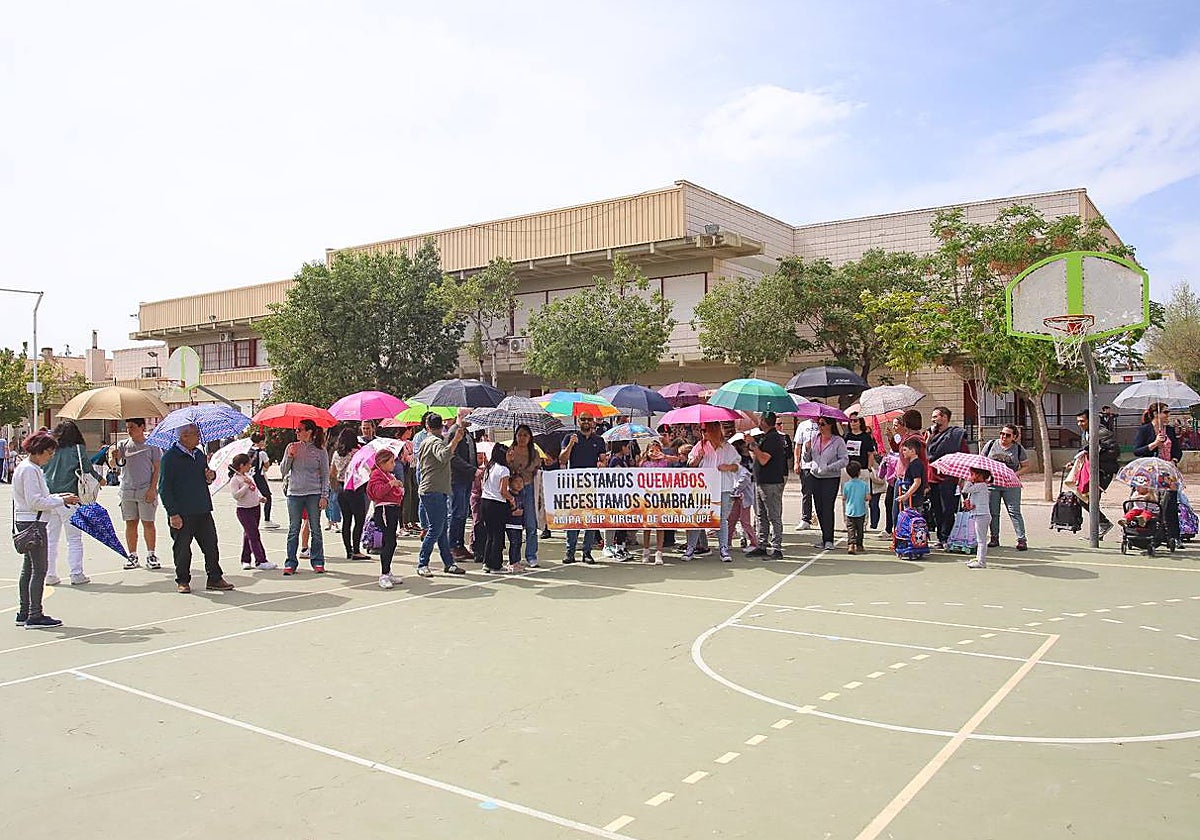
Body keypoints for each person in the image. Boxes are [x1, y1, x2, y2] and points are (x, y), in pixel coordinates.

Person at [159, 423, 234, 594]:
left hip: (202, 508)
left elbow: (205, 477)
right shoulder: (170, 458)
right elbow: (164, 488)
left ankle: (215, 578)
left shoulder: (199, 454)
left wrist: (210, 476)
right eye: (195, 434)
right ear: (184, 436)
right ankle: (183, 580)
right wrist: (173, 513)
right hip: (182, 511)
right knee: (182, 549)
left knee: (211, 545)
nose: (198, 436)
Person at [13, 432, 77, 627]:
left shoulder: (26, 467)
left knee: (29, 568)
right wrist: (61, 501)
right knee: (39, 569)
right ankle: (35, 614)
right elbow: (36, 502)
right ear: (39, 450)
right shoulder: (30, 470)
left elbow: (37, 498)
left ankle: (24, 612)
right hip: (34, 523)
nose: (50, 457)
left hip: (26, 521)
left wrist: (58, 496)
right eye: (49, 453)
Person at [43, 419, 102, 586]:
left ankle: (50, 574)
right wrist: (100, 479)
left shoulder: (50, 450)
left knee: (51, 539)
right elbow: (87, 469)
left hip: (50, 498)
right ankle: (76, 573)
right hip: (71, 498)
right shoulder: (77, 449)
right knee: (74, 539)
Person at [416, 413, 468, 577]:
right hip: (434, 490)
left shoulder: (426, 441)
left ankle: (448, 563)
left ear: (427, 426)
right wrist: (456, 440)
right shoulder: (434, 442)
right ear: (442, 426)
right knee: (435, 529)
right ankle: (423, 563)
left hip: (433, 489)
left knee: (441, 529)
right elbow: (444, 456)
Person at [682, 422, 740, 562]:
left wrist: (728, 467)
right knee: (698, 516)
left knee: (722, 519)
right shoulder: (700, 445)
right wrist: (698, 457)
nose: (703, 433)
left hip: (723, 486)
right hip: (703, 487)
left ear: (714, 431)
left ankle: (723, 548)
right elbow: (690, 464)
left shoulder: (728, 447)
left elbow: (737, 466)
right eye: (702, 430)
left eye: (705, 430)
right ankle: (691, 548)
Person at [280, 419, 330, 575]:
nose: (297, 432)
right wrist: (290, 456)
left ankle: (318, 561)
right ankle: (290, 562)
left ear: (309, 432)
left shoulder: (320, 450)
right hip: (294, 493)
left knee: (316, 528)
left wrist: (324, 495)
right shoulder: (291, 447)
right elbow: (283, 471)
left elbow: (326, 475)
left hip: (314, 493)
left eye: (300, 429)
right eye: (296, 429)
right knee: (293, 529)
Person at [114, 418, 162, 571]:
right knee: (130, 523)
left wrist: (152, 489)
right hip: (127, 490)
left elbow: (157, 469)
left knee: (148, 523)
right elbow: (115, 465)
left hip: (145, 489)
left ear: (142, 427)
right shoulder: (122, 445)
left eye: (133, 427)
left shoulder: (152, 445)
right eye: (127, 427)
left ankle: (151, 554)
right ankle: (132, 555)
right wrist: (114, 456)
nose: (129, 430)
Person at [559, 413, 608, 564]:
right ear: (578, 421)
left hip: (592, 485)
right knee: (573, 519)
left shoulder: (599, 440)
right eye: (583, 419)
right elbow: (562, 459)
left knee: (590, 519)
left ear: (593, 422)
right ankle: (570, 552)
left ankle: (587, 552)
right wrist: (570, 444)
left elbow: (603, 461)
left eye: (589, 419)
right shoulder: (569, 437)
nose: (586, 422)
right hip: (574, 485)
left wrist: (602, 463)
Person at [1133, 402, 1182, 543]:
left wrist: (1174, 460)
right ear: (1156, 414)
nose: (1168, 415)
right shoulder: (1144, 430)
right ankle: (1148, 532)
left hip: (1167, 472)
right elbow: (1137, 451)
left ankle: (1173, 536)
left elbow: (1177, 451)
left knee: (1170, 503)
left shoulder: (1170, 430)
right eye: (1165, 412)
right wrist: (1154, 444)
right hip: (1149, 472)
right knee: (1150, 502)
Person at [745, 411, 788, 559]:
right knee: (761, 515)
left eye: (760, 419)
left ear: (764, 421)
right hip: (762, 481)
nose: (759, 422)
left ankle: (776, 548)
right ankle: (762, 545)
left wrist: (753, 444)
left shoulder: (774, 438)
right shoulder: (766, 437)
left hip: (771, 482)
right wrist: (752, 445)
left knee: (773, 516)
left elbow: (763, 459)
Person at [925, 406, 969, 549]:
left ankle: (947, 537)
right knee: (935, 509)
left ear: (944, 417)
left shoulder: (956, 435)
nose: (933, 420)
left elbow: (964, 456)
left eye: (935, 416)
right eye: (932, 417)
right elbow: (925, 454)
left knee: (947, 509)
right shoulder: (929, 434)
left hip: (949, 478)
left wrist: (962, 478)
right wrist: (929, 439)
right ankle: (940, 537)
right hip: (932, 477)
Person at [980, 424, 1029, 550]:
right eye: (1002, 434)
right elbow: (981, 461)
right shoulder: (991, 444)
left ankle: (1021, 539)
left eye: (1007, 435)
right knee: (993, 513)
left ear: (1014, 437)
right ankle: (994, 538)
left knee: (1014, 512)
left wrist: (1014, 474)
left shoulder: (1018, 449)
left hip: (1011, 485)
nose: (1003, 437)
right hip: (992, 484)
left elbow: (1026, 466)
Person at [805, 418, 849, 550]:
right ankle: (824, 537)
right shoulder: (814, 438)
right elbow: (807, 459)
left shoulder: (838, 441)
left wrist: (829, 467)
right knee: (819, 508)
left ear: (830, 425)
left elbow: (844, 460)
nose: (820, 426)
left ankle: (829, 539)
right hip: (815, 476)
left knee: (827, 507)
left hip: (831, 478)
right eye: (818, 424)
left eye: (823, 424)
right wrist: (807, 449)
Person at [1074, 409, 1118, 538]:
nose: (1080, 424)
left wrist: (1096, 454)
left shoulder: (1102, 433)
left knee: (1091, 500)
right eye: (1078, 421)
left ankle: (1100, 527)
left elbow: (1114, 452)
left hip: (1103, 472)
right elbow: (1083, 450)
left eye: (1082, 421)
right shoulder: (1086, 433)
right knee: (1083, 499)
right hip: (1090, 472)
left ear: (1091, 420)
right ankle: (1101, 526)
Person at [229, 452, 276, 571]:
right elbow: (236, 496)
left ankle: (245, 559)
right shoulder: (235, 480)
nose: (250, 466)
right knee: (254, 535)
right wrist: (245, 486)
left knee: (248, 534)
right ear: (241, 465)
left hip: (255, 508)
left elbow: (255, 490)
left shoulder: (248, 477)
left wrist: (260, 497)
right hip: (244, 510)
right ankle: (261, 560)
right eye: (248, 464)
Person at [366, 448, 404, 589]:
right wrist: (390, 484)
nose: (394, 464)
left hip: (392, 509)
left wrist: (397, 486)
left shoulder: (388, 475)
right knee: (388, 541)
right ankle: (383, 574)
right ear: (382, 463)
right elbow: (377, 493)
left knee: (392, 541)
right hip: (384, 510)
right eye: (391, 462)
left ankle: (388, 571)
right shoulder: (377, 475)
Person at [506, 424, 543, 567]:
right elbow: (506, 470)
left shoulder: (534, 453)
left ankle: (531, 555)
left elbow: (537, 469)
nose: (522, 438)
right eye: (519, 435)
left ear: (530, 437)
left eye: (525, 435)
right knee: (513, 525)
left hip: (529, 489)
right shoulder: (510, 451)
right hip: (514, 491)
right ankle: (514, 556)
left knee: (531, 524)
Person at [331, 427, 369, 560]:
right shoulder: (356, 453)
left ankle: (348, 550)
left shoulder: (336, 454)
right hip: (354, 488)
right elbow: (364, 469)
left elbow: (332, 472)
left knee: (346, 521)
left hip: (341, 488)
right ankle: (356, 550)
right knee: (359, 519)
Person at [479, 443, 515, 574]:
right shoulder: (504, 470)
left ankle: (486, 562)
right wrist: (512, 499)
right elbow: (503, 491)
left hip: (485, 501)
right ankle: (495, 564)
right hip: (497, 504)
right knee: (498, 535)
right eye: (508, 453)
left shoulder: (489, 467)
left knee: (490, 535)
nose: (510, 456)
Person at [448, 409, 478, 561]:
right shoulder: (454, 432)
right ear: (460, 416)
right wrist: (472, 469)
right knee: (457, 513)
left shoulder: (467, 433)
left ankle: (459, 545)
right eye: (469, 415)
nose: (471, 418)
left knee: (463, 513)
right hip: (457, 479)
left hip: (467, 479)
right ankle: (453, 546)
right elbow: (452, 457)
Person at [638, 441, 673, 565]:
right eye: (651, 451)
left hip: (660, 498)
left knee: (660, 525)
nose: (654, 453)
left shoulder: (664, 463)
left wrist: (664, 456)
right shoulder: (643, 464)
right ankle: (646, 551)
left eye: (657, 450)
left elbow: (676, 460)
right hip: (647, 499)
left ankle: (659, 552)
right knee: (647, 526)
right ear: (647, 452)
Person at [844, 414, 880, 529]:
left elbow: (870, 454)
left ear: (860, 422)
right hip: (848, 470)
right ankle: (848, 523)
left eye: (855, 420)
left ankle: (862, 523)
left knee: (863, 498)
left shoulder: (866, 437)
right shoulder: (847, 436)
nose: (853, 423)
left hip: (863, 470)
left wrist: (869, 468)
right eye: (851, 421)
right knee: (847, 498)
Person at [960, 467, 993, 569]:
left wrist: (969, 481)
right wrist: (969, 505)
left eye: (973, 474)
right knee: (979, 539)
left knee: (981, 540)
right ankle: (979, 558)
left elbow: (965, 489)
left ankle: (981, 562)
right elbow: (973, 502)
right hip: (979, 514)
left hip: (982, 515)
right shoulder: (979, 486)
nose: (971, 476)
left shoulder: (981, 485)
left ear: (979, 475)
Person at [248, 432, 279, 529]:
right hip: (259, 477)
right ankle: (267, 520)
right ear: (261, 442)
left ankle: (252, 520)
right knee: (267, 497)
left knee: (253, 498)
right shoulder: (262, 453)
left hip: (250, 477)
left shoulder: (249, 451)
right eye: (264, 441)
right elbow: (267, 465)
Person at [793, 417, 817, 531]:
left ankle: (819, 517)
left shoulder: (823, 424)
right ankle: (806, 518)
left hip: (820, 465)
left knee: (820, 494)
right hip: (806, 465)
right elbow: (798, 445)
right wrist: (796, 462)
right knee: (806, 493)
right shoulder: (803, 425)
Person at [842, 461, 869, 554]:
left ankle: (851, 544)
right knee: (860, 529)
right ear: (859, 472)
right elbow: (867, 497)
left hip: (849, 510)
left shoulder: (846, 485)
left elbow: (844, 497)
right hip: (861, 510)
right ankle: (859, 545)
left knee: (850, 528)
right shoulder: (864, 484)